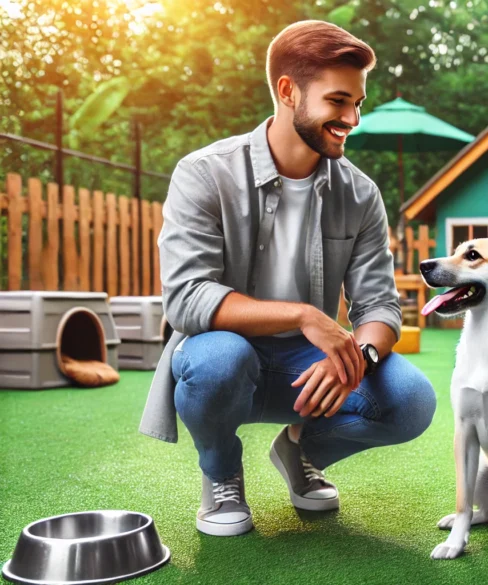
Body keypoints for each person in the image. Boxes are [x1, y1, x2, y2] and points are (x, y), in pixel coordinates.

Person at [138, 20, 436, 537]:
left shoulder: (361, 195)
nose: (352, 119)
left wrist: (359, 359)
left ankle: (300, 450)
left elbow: (380, 308)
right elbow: (186, 299)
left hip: (308, 370)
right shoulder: (204, 173)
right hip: (224, 356)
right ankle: (222, 471)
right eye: (339, 102)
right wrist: (302, 315)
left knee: (411, 401)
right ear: (287, 91)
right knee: (218, 360)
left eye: (358, 103)